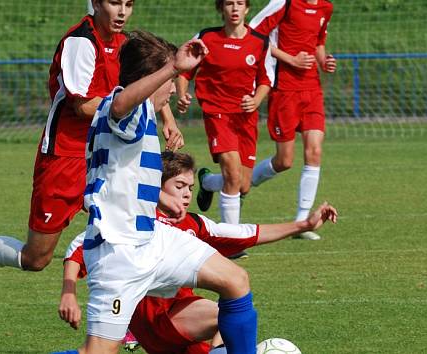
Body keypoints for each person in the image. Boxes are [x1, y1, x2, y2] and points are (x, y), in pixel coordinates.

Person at [0, 0, 184, 281]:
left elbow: (140, 84)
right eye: (114, 3)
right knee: (36, 257)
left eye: (128, 4)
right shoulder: (81, 42)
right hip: (67, 155)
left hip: (108, 150)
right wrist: (130, 109)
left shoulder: (124, 43)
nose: (122, 11)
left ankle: (143, 303)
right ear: (96, 3)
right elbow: (83, 106)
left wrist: (167, 118)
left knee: (132, 226)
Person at [51, 30, 259, 354]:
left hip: (151, 239)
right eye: (169, 79)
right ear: (152, 78)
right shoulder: (122, 107)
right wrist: (173, 67)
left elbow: (127, 175)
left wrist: (160, 195)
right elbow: (121, 103)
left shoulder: (145, 112)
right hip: (118, 252)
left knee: (235, 280)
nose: (174, 87)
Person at [59, 151, 338, 354]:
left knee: (230, 310)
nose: (187, 194)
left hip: (177, 318)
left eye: (190, 188)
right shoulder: (136, 222)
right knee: (226, 312)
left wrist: (304, 224)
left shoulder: (194, 224)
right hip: (151, 321)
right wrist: (69, 292)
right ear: (155, 188)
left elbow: (247, 234)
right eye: (179, 186)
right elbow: (79, 247)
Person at [176, 0, 271, 232]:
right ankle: (232, 239)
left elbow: (266, 79)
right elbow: (184, 71)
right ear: (221, 8)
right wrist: (181, 94)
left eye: (240, 3)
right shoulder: (206, 38)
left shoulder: (260, 42)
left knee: (243, 184)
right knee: (232, 173)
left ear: (247, 8)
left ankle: (207, 183)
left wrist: (257, 100)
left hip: (246, 118)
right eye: (229, 3)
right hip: (217, 112)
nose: (235, 8)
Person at [247, 0, 337, 240]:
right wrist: (290, 59)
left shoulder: (326, 8)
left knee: (314, 151)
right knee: (284, 160)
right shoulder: (284, 3)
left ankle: (302, 220)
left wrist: (323, 61)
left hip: (312, 89)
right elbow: (254, 34)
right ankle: (237, 183)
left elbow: (318, 43)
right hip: (283, 89)